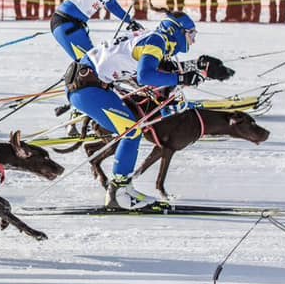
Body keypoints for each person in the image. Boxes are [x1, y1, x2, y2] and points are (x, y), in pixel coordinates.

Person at [65, 11, 203, 209]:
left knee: (132, 129)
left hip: (89, 84)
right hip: (86, 88)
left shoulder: (154, 39)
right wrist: (180, 79)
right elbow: (146, 76)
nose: (193, 40)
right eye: (191, 34)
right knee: (131, 131)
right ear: (176, 31)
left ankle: (123, 189)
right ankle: (118, 193)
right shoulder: (157, 42)